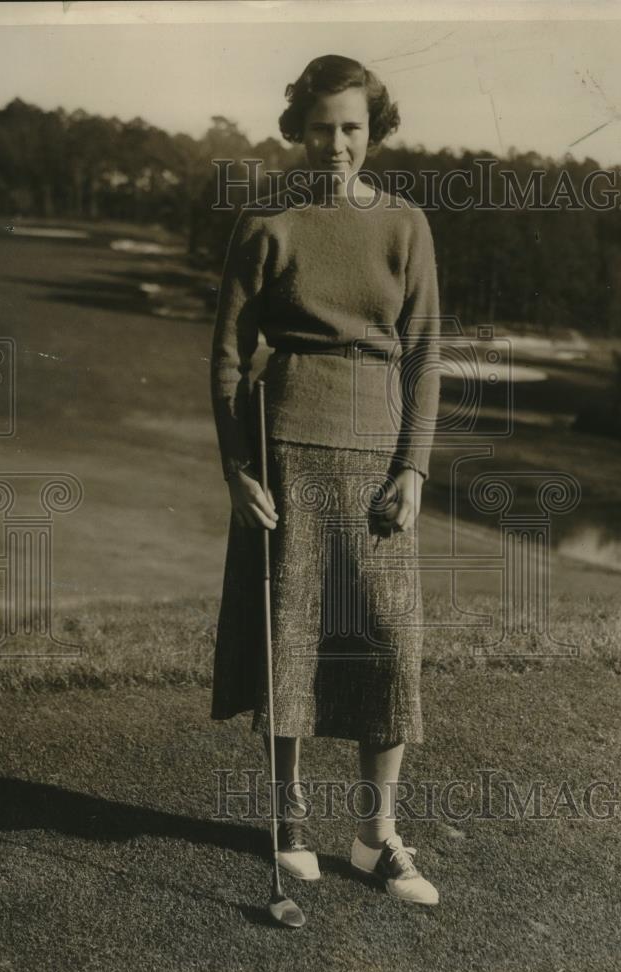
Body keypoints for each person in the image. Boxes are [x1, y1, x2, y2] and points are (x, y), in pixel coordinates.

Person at [209, 54, 441, 906]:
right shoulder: (267, 223)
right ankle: (287, 819)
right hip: (283, 457)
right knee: (291, 644)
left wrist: (414, 467)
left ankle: (377, 838)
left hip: (378, 463)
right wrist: (237, 467)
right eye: (320, 126)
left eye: (352, 126)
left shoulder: (407, 226)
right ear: (296, 129)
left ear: (372, 130)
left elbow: (423, 356)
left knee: (389, 645)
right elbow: (229, 359)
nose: (336, 143)